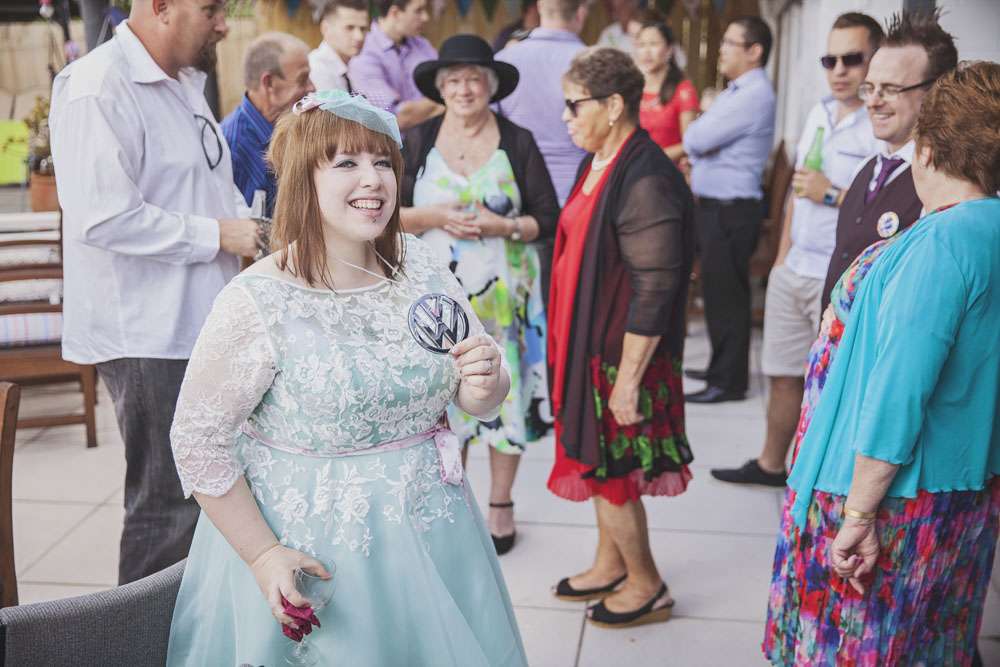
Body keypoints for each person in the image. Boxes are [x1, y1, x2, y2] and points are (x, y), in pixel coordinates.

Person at [165, 90, 528, 666]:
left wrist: (486, 386)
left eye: (384, 162)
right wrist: (262, 556)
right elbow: (196, 440)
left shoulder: (421, 263)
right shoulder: (257, 300)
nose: (373, 180)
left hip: (438, 531)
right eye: (346, 163)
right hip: (319, 549)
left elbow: (475, 383)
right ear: (303, 179)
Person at [764, 59, 1000, 666]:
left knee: (860, 646)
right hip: (964, 483)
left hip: (890, 492)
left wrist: (859, 512)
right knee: (928, 639)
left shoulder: (941, 243)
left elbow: (901, 389)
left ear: (928, 148)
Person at [48, 0, 260, 584]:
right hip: (148, 335)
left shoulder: (186, 83)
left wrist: (254, 233)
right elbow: (103, 217)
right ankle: (140, 630)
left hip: (199, 324)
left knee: (211, 498)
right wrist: (220, 235)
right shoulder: (97, 86)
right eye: (212, 9)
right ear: (162, 7)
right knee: (168, 507)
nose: (224, 24)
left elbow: (209, 188)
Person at [548, 47, 695, 628]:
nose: (566, 117)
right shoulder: (598, 160)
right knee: (597, 463)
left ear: (613, 106)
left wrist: (628, 381)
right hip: (586, 343)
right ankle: (611, 563)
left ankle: (646, 584)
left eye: (574, 105)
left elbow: (656, 287)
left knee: (612, 472)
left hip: (618, 357)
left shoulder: (647, 177)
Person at [400, 35, 559, 555]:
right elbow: (386, 215)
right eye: (453, 80)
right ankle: (454, 505)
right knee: (442, 399)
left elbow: (548, 218)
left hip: (506, 304)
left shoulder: (517, 140)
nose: (464, 89)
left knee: (505, 398)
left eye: (473, 79)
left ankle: (500, 504)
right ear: (440, 88)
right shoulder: (418, 138)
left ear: (490, 86)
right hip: (434, 307)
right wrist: (435, 216)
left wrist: (503, 225)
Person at [710, 13, 883, 488]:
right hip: (796, 266)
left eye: (852, 59)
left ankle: (818, 481)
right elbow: (796, 193)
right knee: (783, 374)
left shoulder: (881, 126)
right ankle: (771, 464)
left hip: (841, 276)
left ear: (875, 59)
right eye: (830, 60)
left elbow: (886, 209)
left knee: (834, 383)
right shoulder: (818, 112)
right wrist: (781, 259)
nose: (839, 70)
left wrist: (832, 194)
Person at [818, 10, 957, 313]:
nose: (873, 101)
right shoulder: (866, 168)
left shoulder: (944, 187)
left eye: (891, 89)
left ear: (935, 92)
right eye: (870, 88)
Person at [682, 16, 775, 404]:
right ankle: (720, 368)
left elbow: (696, 137)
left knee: (727, 297)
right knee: (718, 292)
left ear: (754, 51)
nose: (720, 50)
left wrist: (702, 125)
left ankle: (728, 382)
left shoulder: (753, 94)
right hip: (720, 208)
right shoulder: (738, 91)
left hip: (730, 210)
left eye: (729, 43)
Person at [495, 0, 590, 305]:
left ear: (538, 9)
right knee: (574, 299)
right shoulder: (592, 63)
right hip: (578, 193)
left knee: (523, 301)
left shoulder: (506, 60)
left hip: (518, 198)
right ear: (580, 13)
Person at [222, 32, 314, 218]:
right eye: (303, 79)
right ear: (269, 83)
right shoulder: (233, 147)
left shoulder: (293, 125)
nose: (312, 87)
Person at [348, 0, 440, 130]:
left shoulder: (422, 44)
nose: (426, 17)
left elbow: (449, 82)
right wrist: (445, 100)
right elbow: (393, 119)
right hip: (397, 142)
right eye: (418, 11)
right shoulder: (363, 54)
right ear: (395, 13)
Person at [634, 19, 698, 161]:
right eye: (642, 45)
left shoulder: (683, 90)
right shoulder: (632, 88)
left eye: (654, 44)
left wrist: (652, 158)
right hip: (633, 167)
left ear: (669, 49)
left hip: (666, 168)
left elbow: (689, 144)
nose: (647, 52)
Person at [309, 0, 369, 93]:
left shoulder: (353, 67)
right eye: (349, 28)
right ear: (325, 28)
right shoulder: (317, 69)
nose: (359, 37)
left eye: (363, 29)